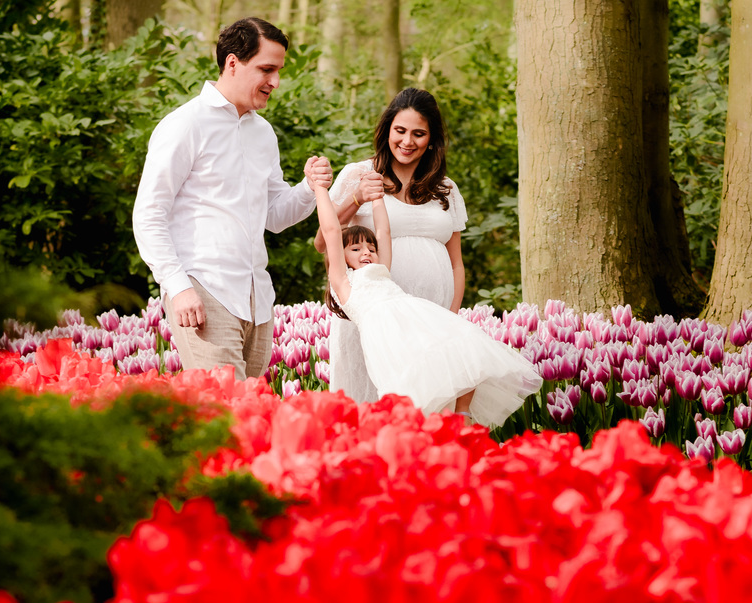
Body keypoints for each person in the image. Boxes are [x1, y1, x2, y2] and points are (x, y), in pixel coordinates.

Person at [133, 17, 333, 377]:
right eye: (266, 69)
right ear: (232, 64)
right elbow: (149, 214)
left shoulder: (263, 132)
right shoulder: (185, 125)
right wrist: (178, 287)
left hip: (258, 299)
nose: (275, 82)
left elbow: (273, 216)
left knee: (250, 419)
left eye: (278, 71)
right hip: (204, 291)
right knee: (225, 415)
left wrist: (308, 187)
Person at [311, 174, 540, 427]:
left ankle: (463, 415)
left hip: (417, 320)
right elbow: (331, 231)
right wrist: (320, 188)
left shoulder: (382, 269)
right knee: (419, 390)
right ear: (341, 258)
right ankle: (436, 431)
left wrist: (377, 198)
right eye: (356, 249)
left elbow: (383, 230)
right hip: (388, 338)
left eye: (370, 248)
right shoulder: (344, 282)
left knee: (465, 350)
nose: (366, 252)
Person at [317, 88, 466, 403]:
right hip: (372, 313)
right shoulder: (359, 173)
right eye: (400, 131)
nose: (407, 141)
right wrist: (356, 196)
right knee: (371, 397)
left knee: (429, 400)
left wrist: (452, 316)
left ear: (432, 139)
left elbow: (456, 263)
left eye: (419, 133)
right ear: (387, 131)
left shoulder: (446, 188)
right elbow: (322, 241)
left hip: (432, 314)